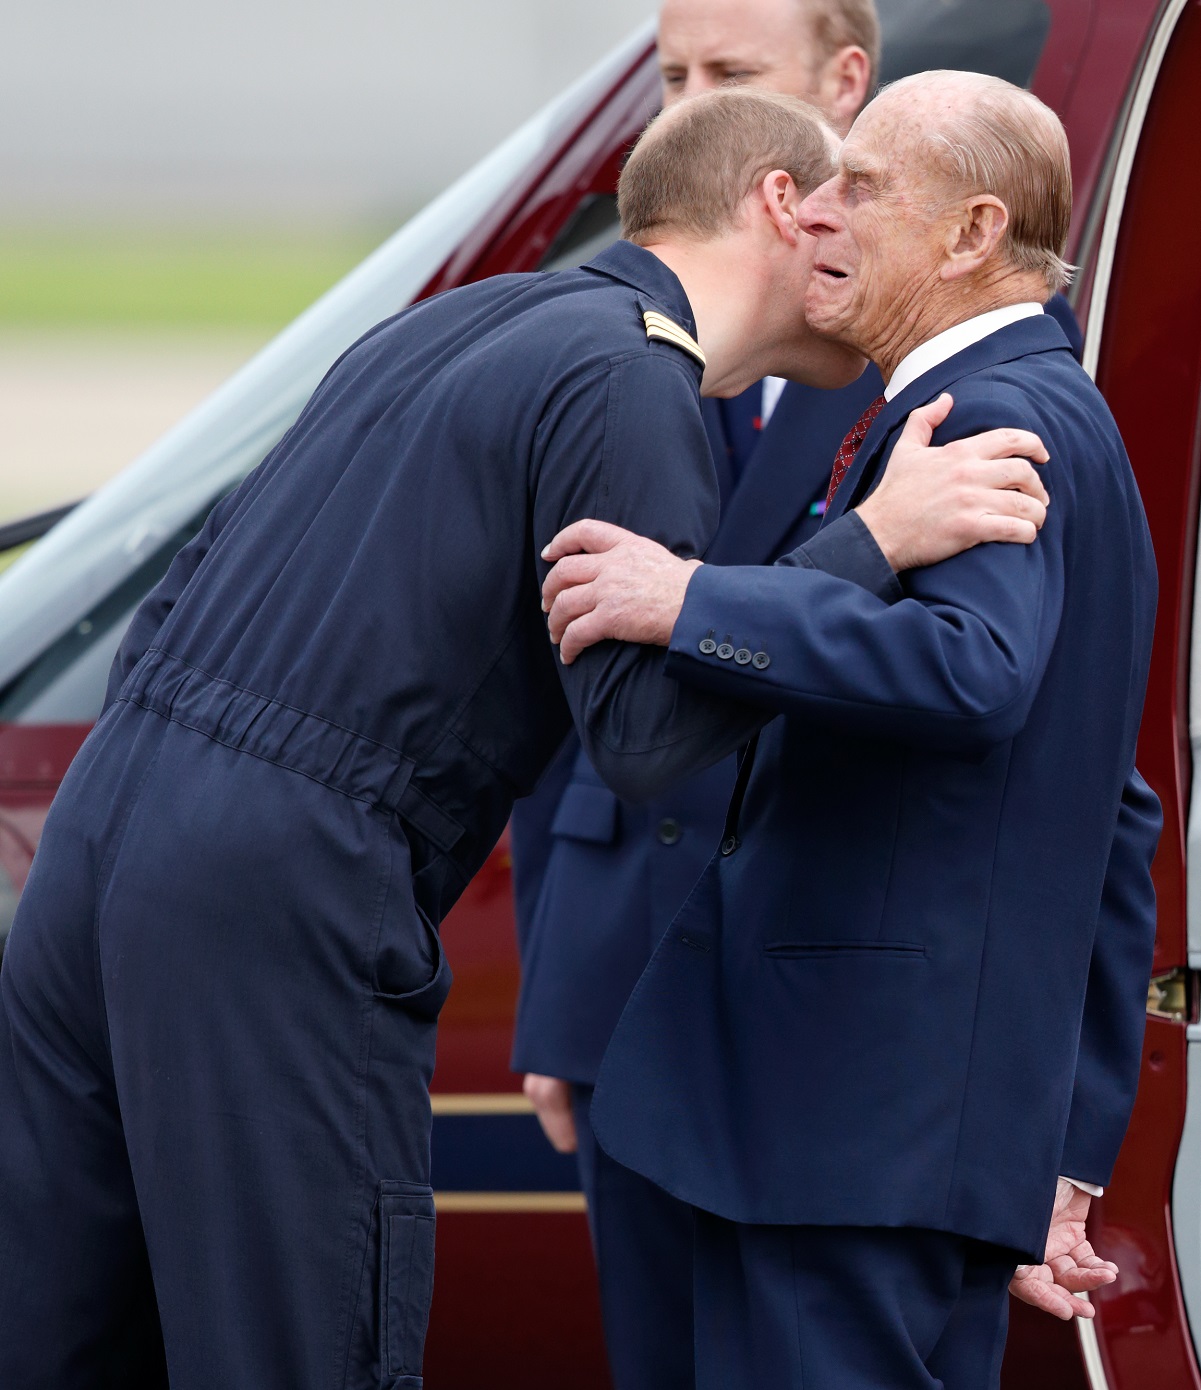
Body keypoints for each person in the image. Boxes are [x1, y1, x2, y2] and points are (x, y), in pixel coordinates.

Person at [0, 90, 1050, 1389]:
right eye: (839, 203)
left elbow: (184, 594)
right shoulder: (628, 381)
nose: (849, 246)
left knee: (65, 1337)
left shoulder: (447, 325)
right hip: (279, 885)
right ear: (777, 202)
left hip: (102, 835)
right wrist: (870, 542)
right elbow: (647, 734)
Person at [541, 71, 1160, 1390]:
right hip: (912, 1141)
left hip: (840, 1129)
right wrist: (1059, 1148)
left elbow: (969, 669)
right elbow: (1113, 810)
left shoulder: (992, 416)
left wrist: (689, 599)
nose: (812, 213)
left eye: (860, 187)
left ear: (969, 233)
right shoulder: (1065, 417)